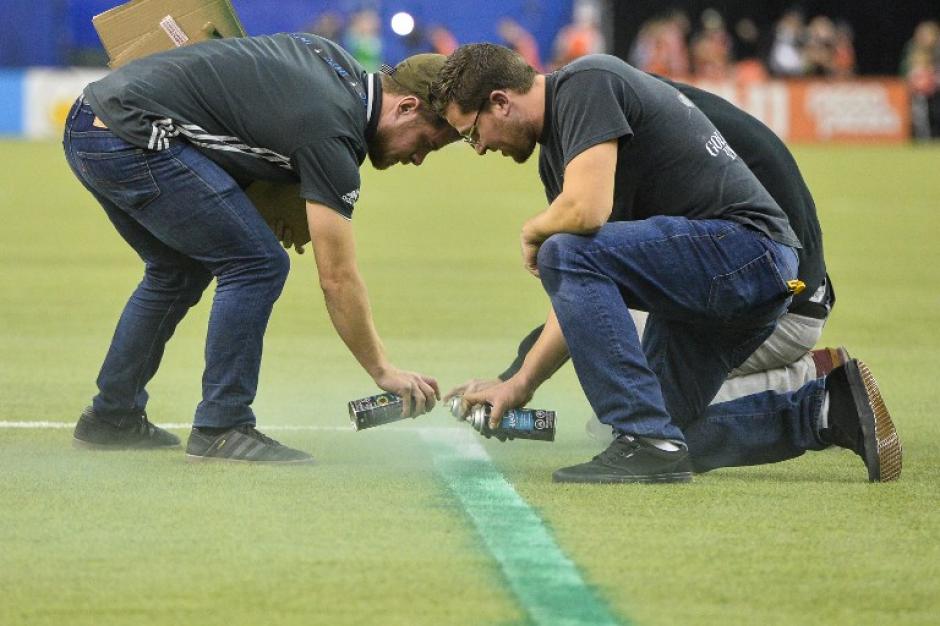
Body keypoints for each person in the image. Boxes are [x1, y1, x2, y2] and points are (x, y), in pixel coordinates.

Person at [431, 44, 901, 483]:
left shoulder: (585, 83)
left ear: (500, 101)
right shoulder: (559, 156)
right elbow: (577, 295)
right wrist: (518, 384)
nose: (477, 147)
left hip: (746, 254)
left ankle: (646, 435)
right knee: (664, 431)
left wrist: (534, 231)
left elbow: (584, 218)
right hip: (714, 284)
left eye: (472, 131)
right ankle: (824, 411)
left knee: (564, 252)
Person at [65, 34, 457, 463]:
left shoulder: (331, 58)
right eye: (426, 143)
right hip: (134, 136)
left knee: (177, 271)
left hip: (94, 122)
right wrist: (383, 370)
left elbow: (243, 103)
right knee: (257, 263)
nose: (418, 159)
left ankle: (111, 418)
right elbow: (337, 277)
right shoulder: (333, 132)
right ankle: (222, 426)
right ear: (406, 108)